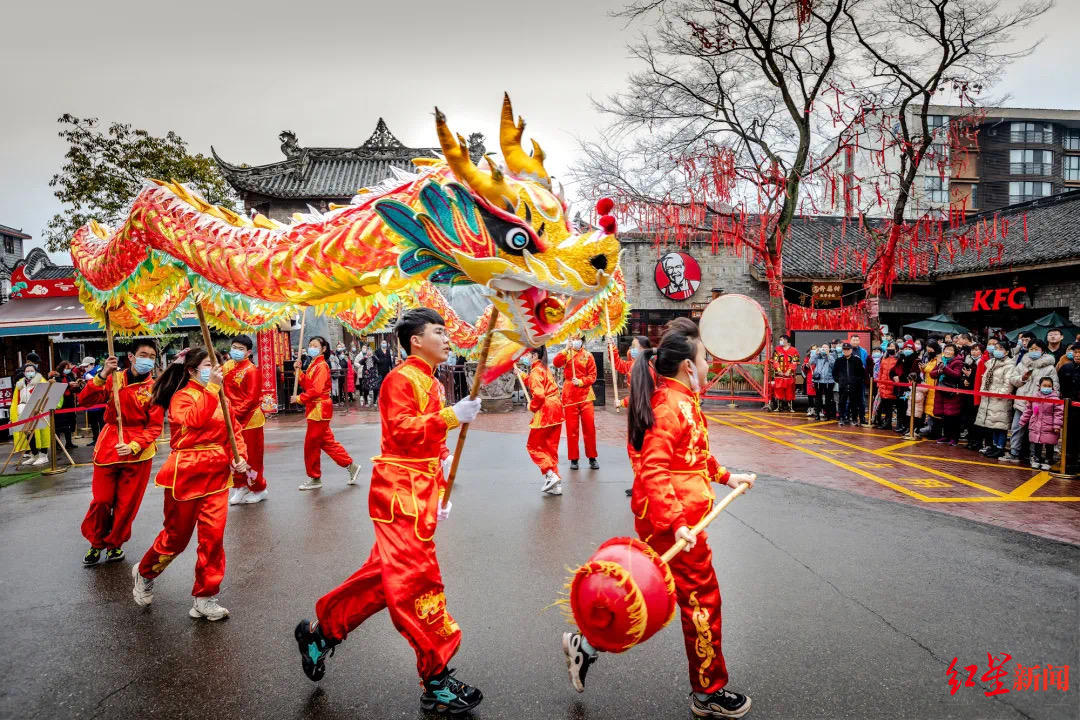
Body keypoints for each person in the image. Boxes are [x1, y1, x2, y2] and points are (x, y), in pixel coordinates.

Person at [561, 317, 756, 719]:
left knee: (652, 594)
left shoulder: (682, 399)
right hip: (678, 523)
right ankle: (708, 691)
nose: (708, 367)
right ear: (688, 365)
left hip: (679, 519)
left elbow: (693, 455)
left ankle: (587, 645)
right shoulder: (670, 404)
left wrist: (724, 475)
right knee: (702, 601)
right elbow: (653, 468)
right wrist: (676, 522)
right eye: (704, 359)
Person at [293, 309, 485, 714]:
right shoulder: (401, 378)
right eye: (439, 331)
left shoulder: (429, 381)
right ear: (416, 340)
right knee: (418, 581)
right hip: (399, 496)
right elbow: (402, 430)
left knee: (382, 581)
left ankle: (321, 633)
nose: (447, 338)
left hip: (418, 492)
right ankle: (436, 678)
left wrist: (443, 470)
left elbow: (430, 441)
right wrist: (452, 416)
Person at [132, 348, 249, 620]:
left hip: (217, 476)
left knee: (213, 539)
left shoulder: (223, 398)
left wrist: (239, 457)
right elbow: (195, 421)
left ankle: (205, 596)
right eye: (209, 364)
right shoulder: (181, 398)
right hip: (185, 473)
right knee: (176, 539)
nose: (216, 369)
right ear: (192, 371)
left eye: (217, 364)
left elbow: (234, 433)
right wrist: (212, 390)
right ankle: (145, 571)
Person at [78, 342, 165, 565]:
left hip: (138, 452)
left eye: (152, 356)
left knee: (127, 505)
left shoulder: (155, 388)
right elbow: (85, 401)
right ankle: (96, 542)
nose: (147, 359)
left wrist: (135, 445)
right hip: (109, 444)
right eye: (143, 354)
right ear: (131, 357)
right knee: (102, 500)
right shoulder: (113, 379)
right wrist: (102, 374)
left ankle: (115, 544)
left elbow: (155, 427)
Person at [293, 336, 361, 490]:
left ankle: (315, 477)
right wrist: (299, 372)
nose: (311, 348)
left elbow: (316, 390)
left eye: (315, 345)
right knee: (326, 442)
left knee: (311, 445)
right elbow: (308, 384)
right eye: (310, 345)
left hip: (319, 408)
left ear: (323, 349)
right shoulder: (313, 365)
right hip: (315, 408)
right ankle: (351, 466)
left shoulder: (321, 366)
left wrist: (299, 398)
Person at [223, 336, 268, 505]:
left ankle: (259, 488)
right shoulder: (227, 367)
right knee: (235, 454)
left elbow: (251, 399)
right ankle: (240, 486)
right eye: (234, 347)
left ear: (249, 352)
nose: (236, 351)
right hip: (232, 418)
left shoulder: (251, 370)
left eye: (240, 348)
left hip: (249, 419)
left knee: (252, 457)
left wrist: (234, 415)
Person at [1003, 339, 1059, 464]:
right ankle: (1014, 452)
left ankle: (1034, 455)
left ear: (1042, 350)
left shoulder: (1049, 367)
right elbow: (1013, 379)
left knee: (1035, 429)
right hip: (1022, 401)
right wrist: (1022, 378)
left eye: (1036, 349)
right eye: (1031, 349)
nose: (1033, 351)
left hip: (1039, 405)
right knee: (1017, 427)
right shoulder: (1022, 364)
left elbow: (1054, 386)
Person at [553, 335, 599, 470]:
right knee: (571, 429)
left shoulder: (588, 355)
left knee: (589, 428)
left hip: (585, 395)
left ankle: (592, 457)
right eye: (572, 339)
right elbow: (556, 363)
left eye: (578, 338)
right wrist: (565, 349)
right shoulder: (566, 354)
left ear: (582, 340)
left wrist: (581, 381)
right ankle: (574, 458)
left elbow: (593, 375)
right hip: (569, 396)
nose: (575, 341)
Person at [523, 344, 564, 495]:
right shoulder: (544, 368)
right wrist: (520, 374)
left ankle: (550, 474)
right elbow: (535, 382)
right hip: (557, 410)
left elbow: (539, 394)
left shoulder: (535, 371)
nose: (526, 357)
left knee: (533, 446)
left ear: (534, 355)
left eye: (528, 354)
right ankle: (556, 483)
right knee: (550, 448)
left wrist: (531, 406)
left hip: (546, 411)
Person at [975, 341, 1014, 459]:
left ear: (1007, 352)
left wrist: (999, 394)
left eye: (1001, 348)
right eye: (996, 348)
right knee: (993, 424)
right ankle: (994, 446)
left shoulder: (1009, 365)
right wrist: (983, 392)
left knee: (1001, 425)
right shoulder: (990, 363)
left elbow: (1008, 384)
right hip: (988, 397)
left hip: (1000, 399)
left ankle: (1000, 447)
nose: (997, 350)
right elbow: (984, 379)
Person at [1020, 377, 1063, 471]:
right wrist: (1023, 420)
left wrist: (1056, 426)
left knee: (1049, 444)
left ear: (1052, 387)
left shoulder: (1055, 398)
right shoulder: (1034, 397)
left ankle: (1048, 460)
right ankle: (1037, 459)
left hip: (1049, 426)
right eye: (1044, 385)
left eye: (1049, 386)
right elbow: (1028, 410)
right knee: (1037, 443)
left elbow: (1058, 413)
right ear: (1039, 386)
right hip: (1036, 424)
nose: (1047, 388)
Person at [12, 362, 49, 465]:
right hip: (23, 410)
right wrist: (14, 413)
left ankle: (43, 455)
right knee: (28, 433)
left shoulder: (41, 381)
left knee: (41, 432)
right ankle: (34, 454)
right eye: (27, 371)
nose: (29, 372)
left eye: (31, 370)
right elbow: (16, 399)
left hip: (37, 410)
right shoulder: (20, 383)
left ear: (35, 371)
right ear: (24, 372)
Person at [931, 344, 965, 446]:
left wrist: (944, 368)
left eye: (950, 350)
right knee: (944, 416)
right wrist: (939, 370)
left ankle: (954, 438)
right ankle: (946, 436)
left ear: (955, 352)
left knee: (952, 416)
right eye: (946, 349)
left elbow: (956, 375)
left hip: (952, 393)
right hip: (941, 391)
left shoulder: (958, 362)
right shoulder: (942, 361)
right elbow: (932, 374)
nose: (947, 352)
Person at [51, 361, 82, 450]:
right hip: (60, 403)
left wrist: (76, 385)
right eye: (66, 368)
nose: (68, 370)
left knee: (69, 423)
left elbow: (73, 389)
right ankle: (57, 444)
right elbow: (57, 387)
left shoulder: (69, 376)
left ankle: (69, 443)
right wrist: (68, 384)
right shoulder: (55, 377)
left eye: (69, 368)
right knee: (59, 425)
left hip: (69, 401)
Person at [834, 343, 864, 427]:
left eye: (848, 349)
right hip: (843, 385)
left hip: (854, 386)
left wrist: (856, 381)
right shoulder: (839, 360)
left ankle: (854, 419)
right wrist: (839, 380)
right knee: (842, 402)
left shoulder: (857, 360)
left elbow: (861, 373)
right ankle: (841, 418)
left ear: (851, 350)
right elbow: (834, 373)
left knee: (854, 403)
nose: (846, 351)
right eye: (844, 349)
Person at [770, 335, 800, 413]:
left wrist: (789, 371)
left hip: (789, 375)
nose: (780, 341)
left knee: (790, 390)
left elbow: (795, 362)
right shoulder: (777, 349)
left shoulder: (794, 350)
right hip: (779, 375)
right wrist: (779, 370)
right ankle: (779, 407)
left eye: (781, 339)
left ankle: (790, 407)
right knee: (778, 390)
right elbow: (775, 361)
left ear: (786, 340)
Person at [81, 356, 105, 444]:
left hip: (101, 402)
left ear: (92, 364)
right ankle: (95, 439)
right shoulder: (86, 374)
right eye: (83, 367)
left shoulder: (100, 371)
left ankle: (102, 440)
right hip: (91, 402)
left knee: (102, 423)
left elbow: (100, 384)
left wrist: (90, 378)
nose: (84, 368)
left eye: (86, 366)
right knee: (93, 423)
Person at [874, 343, 899, 429]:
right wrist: (879, 384)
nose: (890, 348)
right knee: (881, 406)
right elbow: (880, 372)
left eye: (892, 347)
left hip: (892, 387)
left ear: (896, 349)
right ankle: (880, 421)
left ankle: (888, 424)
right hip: (883, 386)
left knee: (889, 407)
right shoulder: (884, 359)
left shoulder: (897, 360)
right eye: (889, 346)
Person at [809, 344, 835, 421]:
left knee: (828, 398)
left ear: (829, 349)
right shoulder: (818, 356)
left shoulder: (832, 355)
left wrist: (828, 355)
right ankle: (817, 414)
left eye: (826, 348)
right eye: (823, 348)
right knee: (818, 398)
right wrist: (815, 354)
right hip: (818, 380)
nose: (824, 349)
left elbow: (833, 365)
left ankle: (828, 415)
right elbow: (811, 362)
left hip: (829, 381)